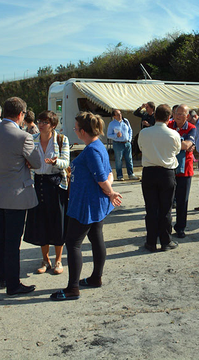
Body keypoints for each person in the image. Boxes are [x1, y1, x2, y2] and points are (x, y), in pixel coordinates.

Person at [50, 112, 122, 301]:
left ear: (82, 131)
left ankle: (73, 288)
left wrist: (111, 191)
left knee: (73, 243)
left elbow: (101, 177)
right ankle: (95, 277)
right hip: (95, 202)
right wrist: (109, 188)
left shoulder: (91, 150)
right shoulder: (97, 145)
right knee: (96, 237)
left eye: (75, 128)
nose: (74, 130)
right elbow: (108, 174)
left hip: (87, 204)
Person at [0, 97, 42, 296]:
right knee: (12, 242)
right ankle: (13, 284)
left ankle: (2, 277)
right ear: (20, 115)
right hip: (15, 195)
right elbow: (36, 162)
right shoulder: (23, 137)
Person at [24, 111, 70, 276]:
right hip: (38, 184)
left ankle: (58, 260)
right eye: (40, 121)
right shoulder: (32, 139)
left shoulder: (61, 139)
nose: (41, 124)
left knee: (57, 223)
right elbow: (25, 159)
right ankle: (45, 260)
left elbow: (66, 162)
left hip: (56, 184)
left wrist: (56, 162)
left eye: (45, 122)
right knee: (41, 222)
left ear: (53, 125)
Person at [138, 104, 181, 251]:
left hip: (149, 172)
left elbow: (141, 148)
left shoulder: (144, 133)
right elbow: (177, 150)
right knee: (165, 209)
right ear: (169, 118)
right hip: (166, 173)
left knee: (151, 209)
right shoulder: (174, 134)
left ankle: (151, 242)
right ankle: (166, 241)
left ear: (155, 116)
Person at [169, 104, 196, 238]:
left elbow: (187, 145)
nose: (178, 116)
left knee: (182, 201)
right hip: (168, 168)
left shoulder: (192, 128)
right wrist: (183, 144)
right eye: (176, 113)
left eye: (182, 114)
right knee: (167, 200)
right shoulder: (168, 125)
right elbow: (184, 145)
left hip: (185, 170)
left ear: (187, 116)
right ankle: (166, 227)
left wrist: (187, 145)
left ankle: (180, 227)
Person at [107, 109, 138, 181]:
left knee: (129, 159)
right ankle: (119, 176)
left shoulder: (126, 121)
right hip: (118, 143)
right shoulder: (112, 124)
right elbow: (108, 135)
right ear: (114, 116)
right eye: (117, 114)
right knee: (118, 160)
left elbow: (130, 130)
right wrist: (116, 135)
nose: (120, 115)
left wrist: (129, 139)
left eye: (120, 113)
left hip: (127, 143)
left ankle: (131, 174)